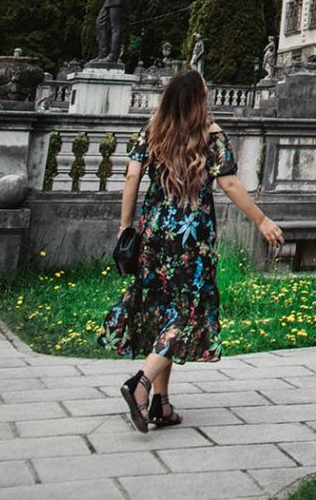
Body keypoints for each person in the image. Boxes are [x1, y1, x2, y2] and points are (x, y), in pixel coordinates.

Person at [102, 68, 284, 432]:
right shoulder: (210, 136)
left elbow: (131, 178)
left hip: (152, 232)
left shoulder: (152, 130)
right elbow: (229, 183)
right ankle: (140, 384)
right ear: (199, 100)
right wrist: (262, 221)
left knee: (163, 311)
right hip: (192, 236)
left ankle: (161, 403)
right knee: (185, 314)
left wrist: (126, 228)